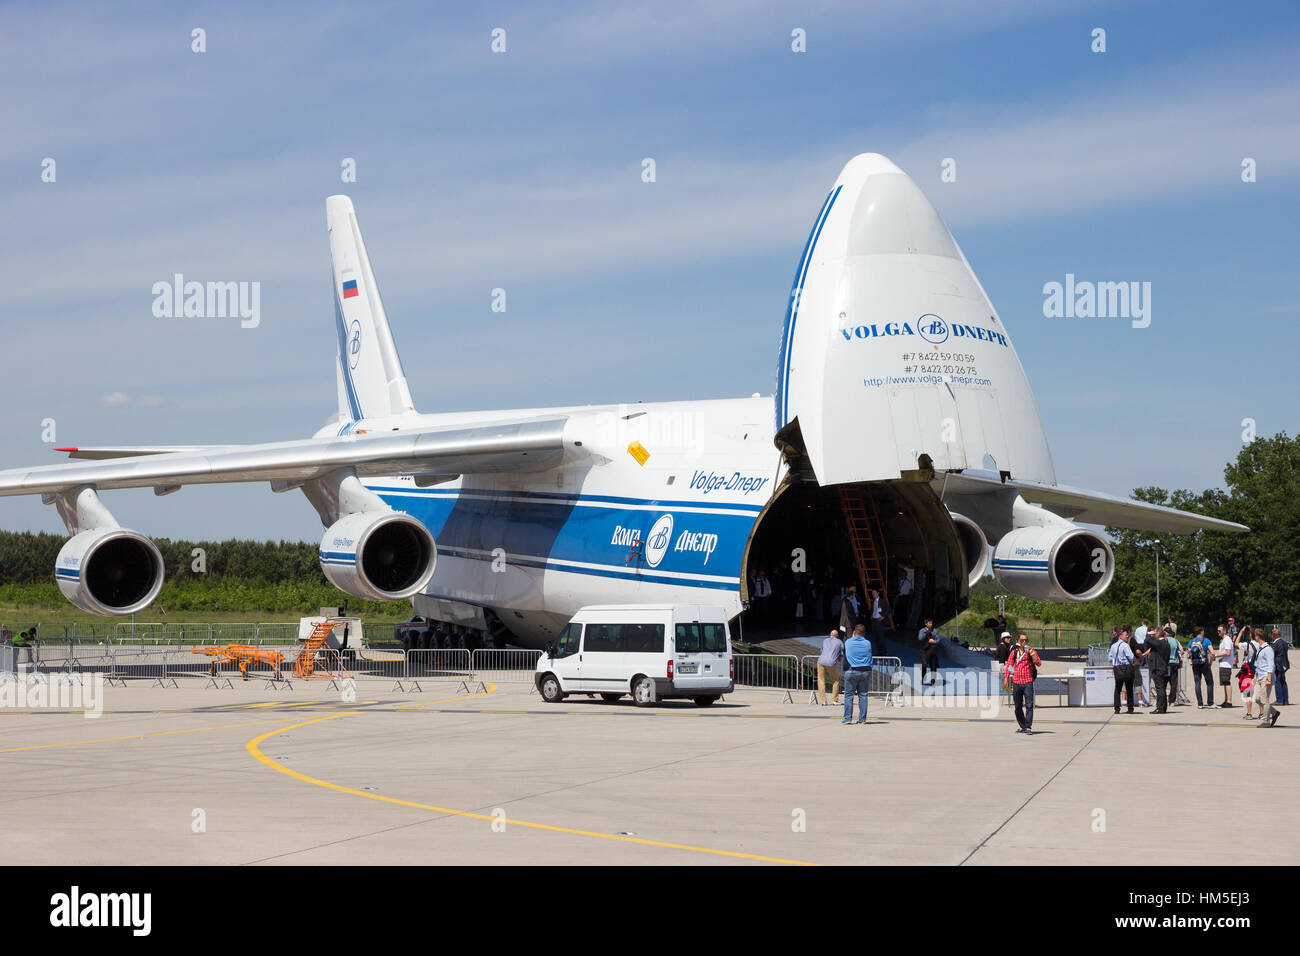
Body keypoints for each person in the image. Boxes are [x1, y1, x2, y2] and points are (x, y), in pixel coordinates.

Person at [1003, 633, 1042, 734]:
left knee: (1029, 705)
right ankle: (1023, 726)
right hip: (1016, 682)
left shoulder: (1031, 652)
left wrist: (1032, 653)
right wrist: (1006, 678)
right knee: (1017, 707)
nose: (1024, 642)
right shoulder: (1014, 652)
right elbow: (1009, 665)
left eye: (1026, 640)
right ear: (1018, 641)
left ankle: (1028, 726)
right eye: (1022, 640)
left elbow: (1038, 663)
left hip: (1027, 682)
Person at [841, 624, 873, 725]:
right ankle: (862, 719)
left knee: (849, 695)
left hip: (852, 670)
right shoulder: (868, 643)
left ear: (854, 632)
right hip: (865, 671)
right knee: (863, 695)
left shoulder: (848, 642)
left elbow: (845, 653)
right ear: (864, 633)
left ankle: (848, 718)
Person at [1252, 629, 1280, 727]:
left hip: (1266, 677)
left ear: (1257, 637)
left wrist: (1268, 678)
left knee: (1264, 700)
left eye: (1255, 635)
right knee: (1256, 699)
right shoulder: (1260, 648)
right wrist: (1255, 675)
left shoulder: (1268, 649)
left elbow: (1271, 664)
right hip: (1260, 676)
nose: (1254, 637)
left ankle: (1266, 721)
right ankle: (1274, 712)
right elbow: (1258, 664)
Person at [1108, 626, 1136, 714]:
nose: (1127, 636)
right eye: (1125, 635)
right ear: (1120, 636)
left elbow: (1109, 658)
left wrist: (1115, 662)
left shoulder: (1113, 646)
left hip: (1117, 668)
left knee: (1117, 689)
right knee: (1129, 688)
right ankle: (1130, 708)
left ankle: (1117, 708)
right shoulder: (1125, 645)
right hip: (1126, 668)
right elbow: (1131, 657)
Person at [816, 628, 844, 706]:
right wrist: (839, 658)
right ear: (837, 636)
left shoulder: (825, 641)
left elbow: (822, 650)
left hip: (821, 661)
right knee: (835, 680)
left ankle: (824, 701)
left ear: (830, 635)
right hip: (831, 662)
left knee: (821, 680)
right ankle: (835, 700)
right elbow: (841, 653)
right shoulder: (839, 642)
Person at [1187, 626, 1214, 708]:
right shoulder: (1206, 640)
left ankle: (1200, 703)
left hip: (1195, 664)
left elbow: (1188, 655)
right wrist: (1210, 662)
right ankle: (1210, 702)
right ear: (1202, 632)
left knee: (1197, 683)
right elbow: (1212, 653)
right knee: (1209, 683)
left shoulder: (1191, 642)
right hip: (1204, 663)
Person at [1145, 627, 1170, 714]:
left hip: (1158, 668)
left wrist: (1149, 633)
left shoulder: (1160, 642)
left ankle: (1160, 708)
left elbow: (1148, 640)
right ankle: (1162, 707)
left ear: (1158, 634)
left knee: (1160, 689)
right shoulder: (1165, 643)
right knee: (1161, 688)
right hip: (1162, 667)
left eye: (1155, 633)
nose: (1154, 635)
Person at [1215, 624, 1236, 707]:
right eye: (1217, 631)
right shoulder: (1223, 640)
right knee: (1224, 682)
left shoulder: (1227, 640)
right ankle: (1226, 700)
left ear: (1224, 630)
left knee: (1227, 682)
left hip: (1226, 664)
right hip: (1223, 664)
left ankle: (1229, 701)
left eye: (1219, 631)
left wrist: (1217, 655)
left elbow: (1228, 652)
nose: (1218, 632)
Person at [1132, 621, 1152, 707]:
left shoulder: (1137, 629)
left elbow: (1136, 637)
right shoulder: (1146, 629)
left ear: (1141, 623)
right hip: (1144, 644)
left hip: (1138, 644)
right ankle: (1144, 664)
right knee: (1143, 658)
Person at [917, 618, 941, 686]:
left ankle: (933, 680)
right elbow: (920, 638)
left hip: (933, 649)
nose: (931, 624)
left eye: (931, 623)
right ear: (926, 624)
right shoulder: (922, 630)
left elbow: (938, 639)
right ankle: (922, 678)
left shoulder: (935, 630)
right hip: (924, 650)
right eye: (929, 623)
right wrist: (926, 634)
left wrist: (935, 641)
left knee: (933, 666)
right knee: (923, 665)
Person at [1271, 628, 1290, 705]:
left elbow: (1273, 654)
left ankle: (1279, 700)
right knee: (1283, 682)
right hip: (1284, 664)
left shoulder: (1275, 643)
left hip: (1278, 664)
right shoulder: (1284, 642)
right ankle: (1285, 700)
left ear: (1274, 635)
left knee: (1277, 682)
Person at [1164, 627, 1182, 705]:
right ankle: (1171, 701)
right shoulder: (1176, 641)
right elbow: (1182, 651)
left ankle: (1163, 700)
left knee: (1163, 682)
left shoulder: (1164, 640)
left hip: (1166, 663)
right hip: (1175, 663)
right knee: (1173, 683)